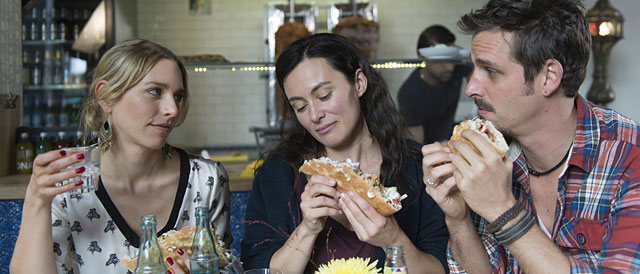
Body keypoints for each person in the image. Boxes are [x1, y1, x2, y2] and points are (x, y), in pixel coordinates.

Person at [422, 0, 640, 273]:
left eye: (491, 71)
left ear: (548, 77)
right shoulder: (490, 156)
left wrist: (503, 210)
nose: (471, 88)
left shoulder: (630, 158)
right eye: (474, 69)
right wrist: (458, 218)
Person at [10, 39, 231, 274]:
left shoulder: (206, 180)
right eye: (155, 92)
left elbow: (226, 264)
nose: (172, 110)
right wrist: (36, 201)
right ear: (105, 96)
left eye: (177, 96)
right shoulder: (71, 177)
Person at [241, 33, 448, 273]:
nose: (315, 114)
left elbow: (442, 268)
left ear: (359, 83)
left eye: (324, 96)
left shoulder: (416, 167)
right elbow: (256, 267)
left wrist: (392, 238)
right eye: (300, 106)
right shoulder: (277, 175)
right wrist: (307, 229)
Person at [397, 25, 472, 144]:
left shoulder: (457, 67)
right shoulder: (410, 93)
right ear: (422, 57)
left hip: (452, 136)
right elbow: (416, 145)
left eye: (451, 59)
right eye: (440, 59)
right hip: (431, 149)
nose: (450, 67)